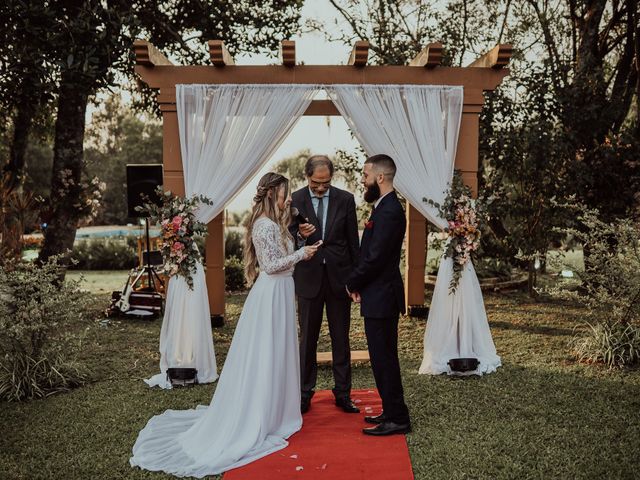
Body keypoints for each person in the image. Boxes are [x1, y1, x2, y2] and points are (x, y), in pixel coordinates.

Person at [130, 173, 321, 477]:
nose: (288, 200)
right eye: (284, 193)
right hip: (271, 296)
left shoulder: (277, 225)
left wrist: (300, 239)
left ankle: (277, 412)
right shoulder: (263, 225)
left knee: (279, 353)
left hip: (283, 294)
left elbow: (283, 256)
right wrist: (304, 252)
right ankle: (260, 414)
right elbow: (270, 266)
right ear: (272, 193)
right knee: (265, 354)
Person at [346, 154, 411, 436]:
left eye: (365, 175)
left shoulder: (390, 211)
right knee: (381, 356)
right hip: (378, 293)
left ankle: (398, 418)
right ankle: (391, 410)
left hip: (382, 296)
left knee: (384, 358)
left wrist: (352, 283)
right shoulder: (383, 207)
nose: (363, 179)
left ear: (380, 177)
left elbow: (374, 258)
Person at [290, 155, 360, 414]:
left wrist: (356, 280)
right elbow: (287, 239)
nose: (320, 188)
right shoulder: (295, 199)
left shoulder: (346, 199)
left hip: (340, 279)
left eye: (326, 183)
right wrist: (299, 236)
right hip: (308, 279)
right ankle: (304, 393)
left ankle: (343, 393)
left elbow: (354, 243)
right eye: (316, 182)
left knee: (341, 339)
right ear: (307, 176)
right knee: (307, 339)